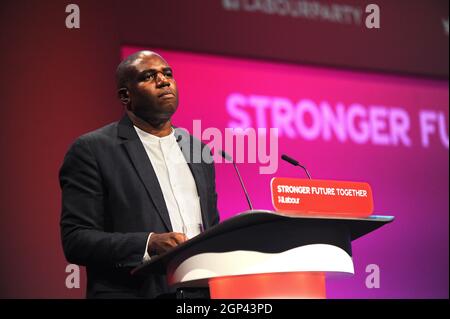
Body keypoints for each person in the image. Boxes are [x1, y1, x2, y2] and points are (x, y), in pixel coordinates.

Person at [59, 51, 220, 298]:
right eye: (149, 76)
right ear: (126, 96)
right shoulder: (93, 150)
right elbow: (76, 239)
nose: (163, 81)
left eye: (168, 74)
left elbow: (211, 228)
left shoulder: (197, 150)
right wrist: (148, 243)